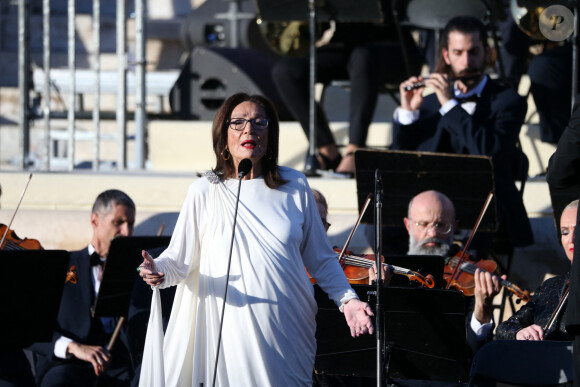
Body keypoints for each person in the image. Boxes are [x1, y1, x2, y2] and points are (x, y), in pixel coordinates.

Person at [136, 93, 374, 386]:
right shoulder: (204, 191)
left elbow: (322, 258)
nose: (249, 129)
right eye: (238, 122)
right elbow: (178, 261)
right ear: (224, 136)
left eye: (259, 122)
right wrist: (157, 270)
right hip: (228, 332)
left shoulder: (296, 185)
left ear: (270, 134)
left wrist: (348, 301)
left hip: (287, 329)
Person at [391, 15, 534, 251]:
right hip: (431, 203)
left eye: (473, 52)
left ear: (487, 53)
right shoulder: (428, 104)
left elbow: (492, 155)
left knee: (478, 223)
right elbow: (398, 162)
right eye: (458, 53)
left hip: (485, 204)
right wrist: (408, 113)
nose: (466, 61)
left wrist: (449, 106)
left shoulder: (509, 101)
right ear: (446, 55)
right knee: (381, 224)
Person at [271, 0, 422, 175]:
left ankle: (354, 150)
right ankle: (326, 149)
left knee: (363, 57)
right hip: (347, 48)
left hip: (396, 48)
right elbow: (323, 25)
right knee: (286, 71)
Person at [369, 190, 503, 356]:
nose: (432, 234)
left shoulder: (467, 275)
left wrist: (483, 307)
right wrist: (377, 295)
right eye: (423, 224)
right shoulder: (390, 271)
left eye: (441, 225)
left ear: (454, 227)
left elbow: (475, 349)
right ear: (408, 226)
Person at [31, 189, 136, 387]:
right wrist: (73, 347)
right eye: (118, 223)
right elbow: (32, 327)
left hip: (119, 367)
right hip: (68, 365)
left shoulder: (135, 271)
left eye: (130, 224)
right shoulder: (63, 266)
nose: (127, 232)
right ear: (95, 221)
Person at [496, 199, 577, 341]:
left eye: (578, 230)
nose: (571, 238)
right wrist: (520, 332)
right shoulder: (550, 287)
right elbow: (505, 328)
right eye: (565, 232)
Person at [546, 94, 580, 385]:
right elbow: (560, 172)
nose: (570, 238)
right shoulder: (553, 289)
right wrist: (523, 331)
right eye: (565, 231)